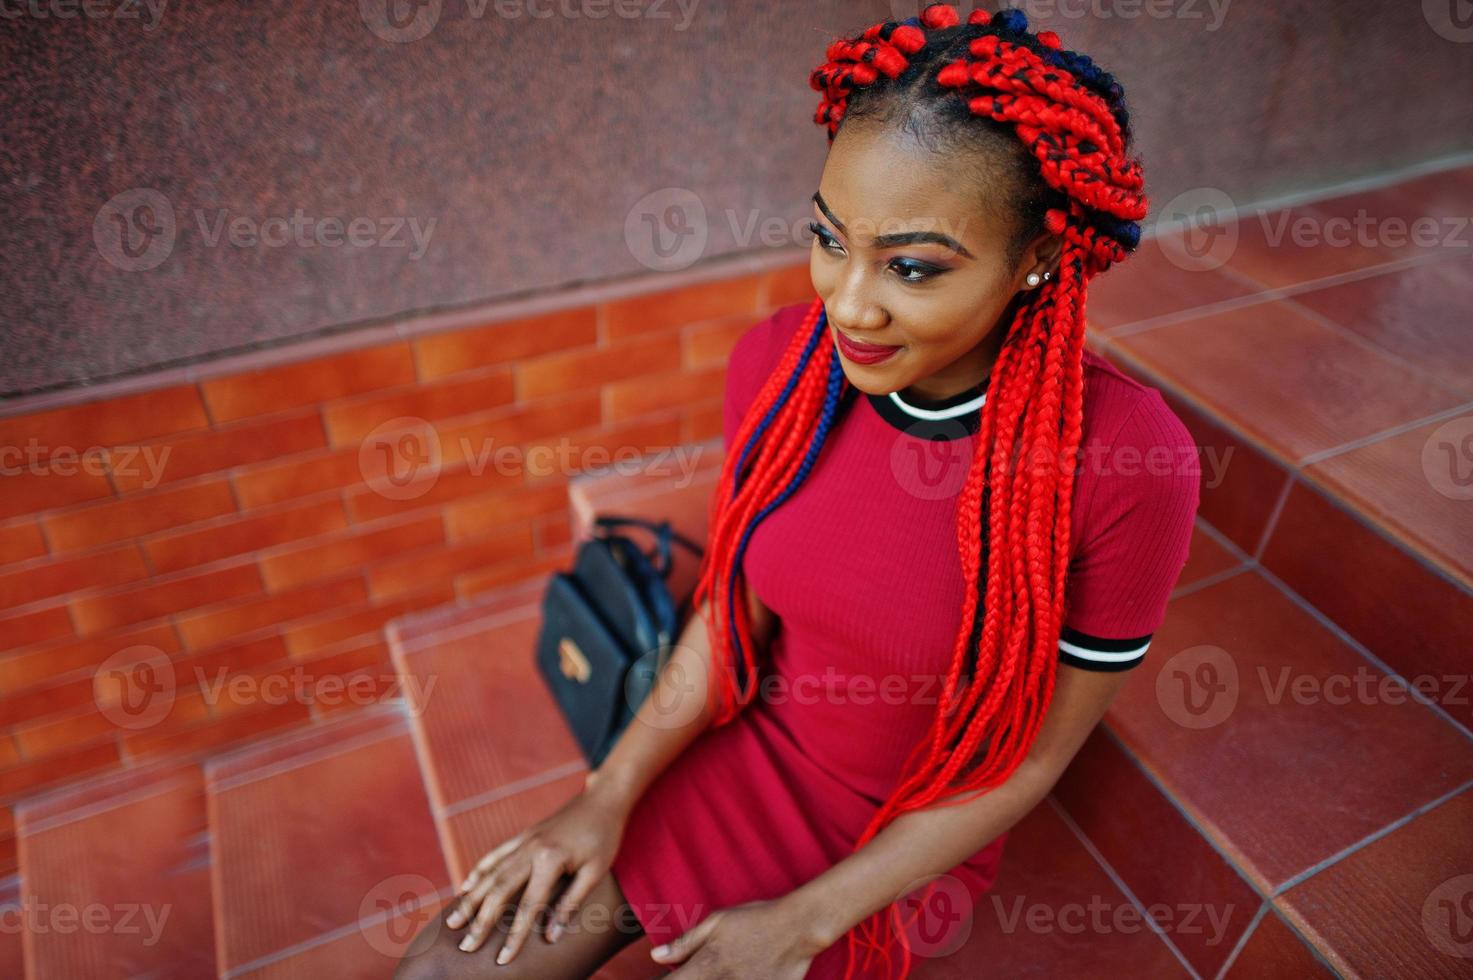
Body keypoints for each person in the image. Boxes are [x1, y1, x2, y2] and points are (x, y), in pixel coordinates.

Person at [394, 4, 1200, 978]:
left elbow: (1031, 759)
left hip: (913, 834)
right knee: (447, 968)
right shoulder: (784, 365)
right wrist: (605, 796)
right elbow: (729, 612)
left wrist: (807, 919)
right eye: (830, 238)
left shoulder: (1122, 459)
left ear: (1036, 259)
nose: (848, 301)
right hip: (756, 761)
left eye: (911, 266)